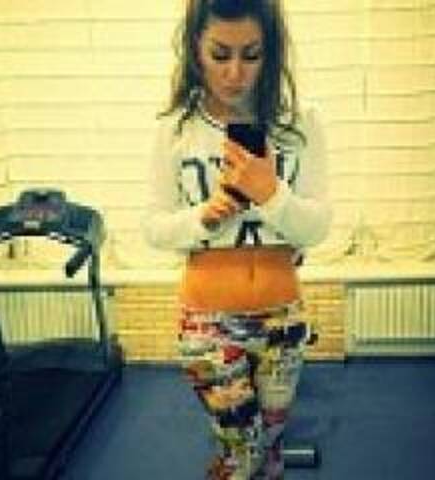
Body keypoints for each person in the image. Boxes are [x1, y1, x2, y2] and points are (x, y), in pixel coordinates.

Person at [143, 0, 331, 478]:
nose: (235, 73)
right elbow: (154, 227)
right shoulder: (175, 129)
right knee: (242, 452)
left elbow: (317, 226)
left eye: (251, 55)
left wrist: (271, 194)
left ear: (271, 53)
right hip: (207, 322)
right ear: (195, 50)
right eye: (220, 54)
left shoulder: (300, 122)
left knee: (269, 450)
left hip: (282, 320)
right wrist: (202, 218)